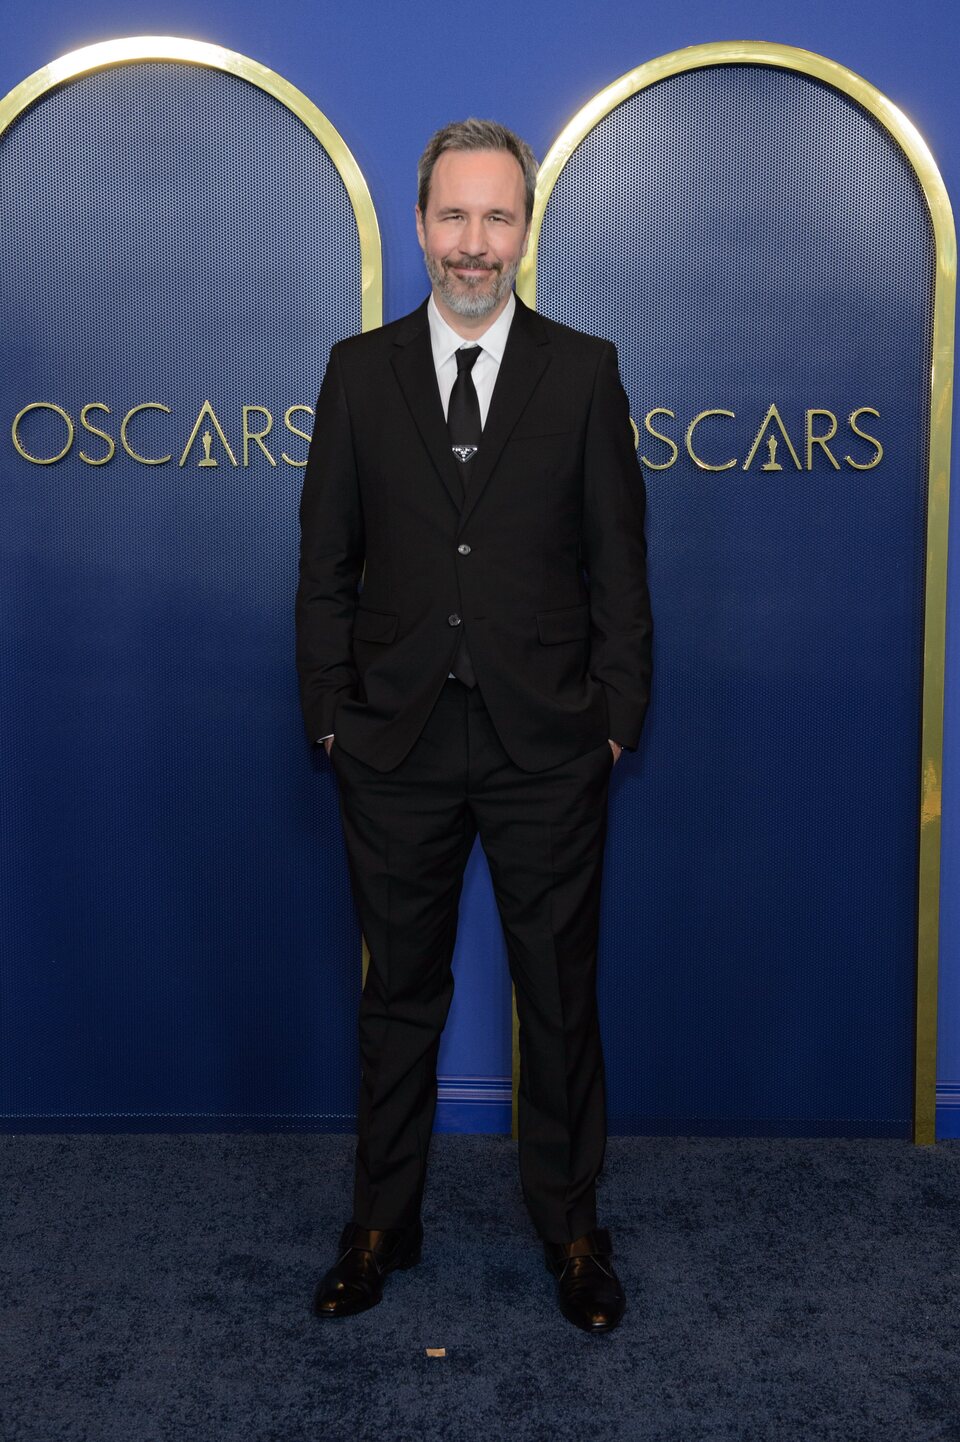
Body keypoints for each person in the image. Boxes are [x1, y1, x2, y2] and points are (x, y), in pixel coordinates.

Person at [295, 118, 652, 1334]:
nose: (474, 245)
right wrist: (331, 715)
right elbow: (324, 569)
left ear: (525, 231)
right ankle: (381, 1223)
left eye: (498, 218)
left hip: (547, 745)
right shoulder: (357, 373)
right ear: (419, 224)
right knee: (400, 995)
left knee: (558, 994)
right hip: (390, 747)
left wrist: (614, 721)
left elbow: (621, 570)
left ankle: (572, 1229)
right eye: (454, 217)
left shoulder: (585, 371)